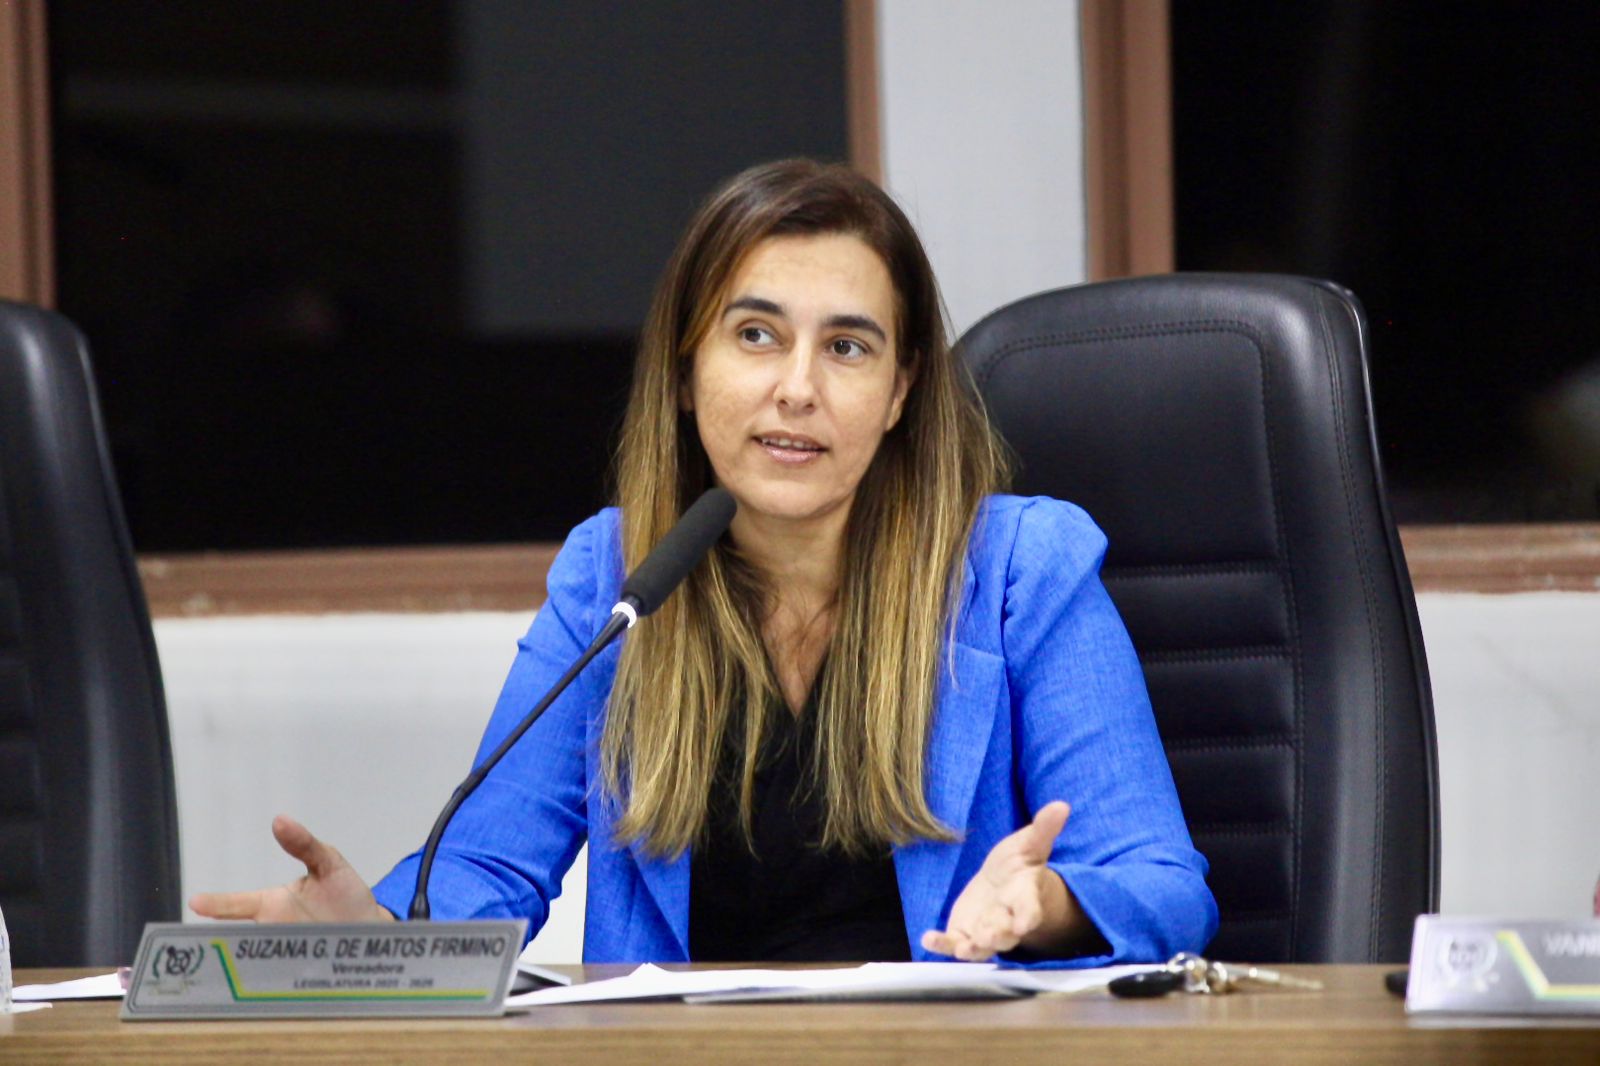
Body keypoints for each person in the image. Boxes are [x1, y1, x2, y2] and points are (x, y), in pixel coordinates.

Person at [192, 159, 1218, 965]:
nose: (797, 388)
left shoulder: (1019, 570)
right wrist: (371, 935)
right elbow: (485, 870)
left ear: (902, 391)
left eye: (848, 347)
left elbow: (1165, 885)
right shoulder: (616, 577)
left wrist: (1046, 903)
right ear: (688, 372)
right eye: (757, 335)